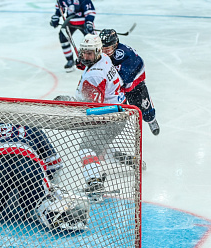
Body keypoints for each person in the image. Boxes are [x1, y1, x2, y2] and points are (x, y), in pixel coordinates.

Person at [74, 34, 132, 192]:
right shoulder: (103, 57)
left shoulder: (95, 76)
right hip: (118, 110)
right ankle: (127, 160)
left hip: (109, 116)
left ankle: (95, 183)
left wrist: (73, 107)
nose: (85, 56)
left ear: (98, 51)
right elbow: (92, 69)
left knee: (86, 148)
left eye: (89, 53)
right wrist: (86, 65)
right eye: (83, 52)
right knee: (98, 147)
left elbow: (93, 108)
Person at [98, 29, 160, 136]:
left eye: (107, 49)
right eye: (102, 49)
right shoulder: (103, 53)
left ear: (115, 44)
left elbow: (124, 79)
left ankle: (151, 120)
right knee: (118, 110)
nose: (104, 52)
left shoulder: (126, 55)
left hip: (135, 83)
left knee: (144, 105)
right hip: (119, 82)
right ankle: (113, 125)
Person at [50, 0, 96, 72]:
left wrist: (89, 22)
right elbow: (59, 8)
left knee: (93, 41)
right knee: (63, 37)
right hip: (70, 21)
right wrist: (56, 17)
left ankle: (95, 60)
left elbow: (90, 11)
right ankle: (70, 60)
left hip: (84, 21)